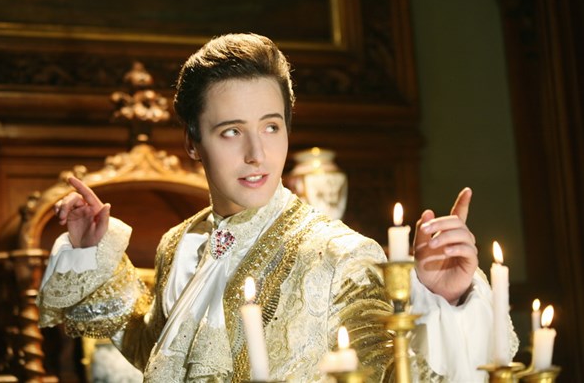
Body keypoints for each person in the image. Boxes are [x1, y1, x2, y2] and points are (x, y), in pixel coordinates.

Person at [37, 33, 518, 382]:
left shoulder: (340, 255)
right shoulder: (179, 243)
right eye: (231, 132)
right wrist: (93, 252)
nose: (257, 154)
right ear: (192, 143)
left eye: (271, 127)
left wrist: (447, 301)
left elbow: (398, 372)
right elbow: (156, 353)